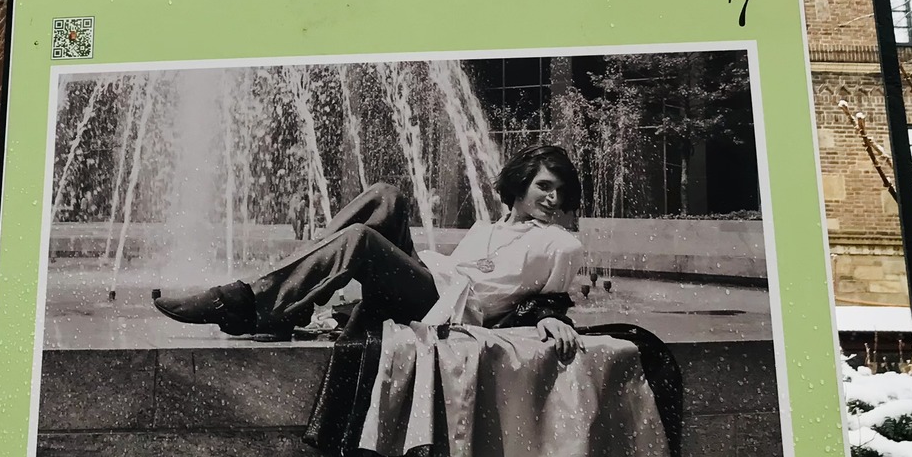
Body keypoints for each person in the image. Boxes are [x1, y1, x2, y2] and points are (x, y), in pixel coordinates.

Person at [153, 144, 588, 353]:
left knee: (359, 240)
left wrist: (551, 320)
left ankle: (245, 300)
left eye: (558, 191)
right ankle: (290, 301)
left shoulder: (559, 243)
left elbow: (550, 299)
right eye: (543, 186)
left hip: (448, 309)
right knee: (385, 196)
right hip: (433, 286)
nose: (552, 198)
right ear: (519, 185)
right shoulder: (486, 228)